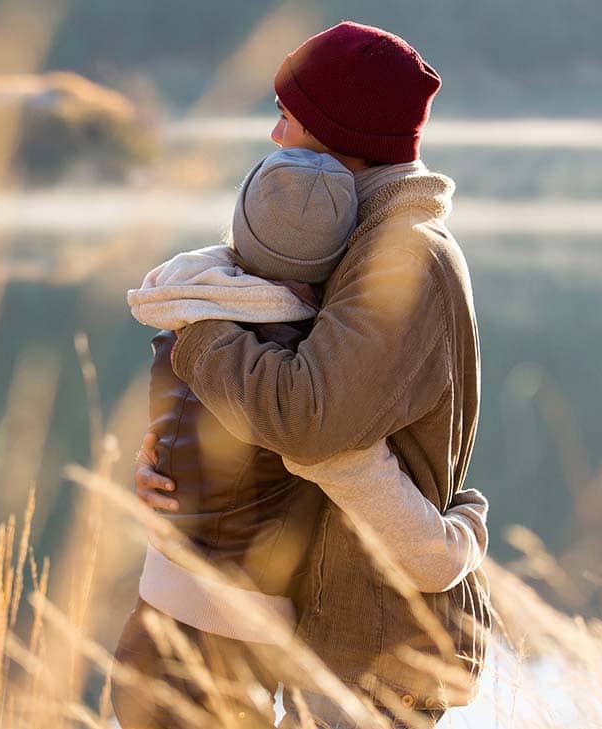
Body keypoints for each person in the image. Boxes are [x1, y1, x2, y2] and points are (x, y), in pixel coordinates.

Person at [134, 21, 489, 728]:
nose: (274, 137)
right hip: (335, 629)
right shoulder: (356, 240)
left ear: (337, 135)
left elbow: (310, 422)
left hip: (379, 654)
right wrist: (175, 456)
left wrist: (197, 336)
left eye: (287, 116)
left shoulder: (402, 258)